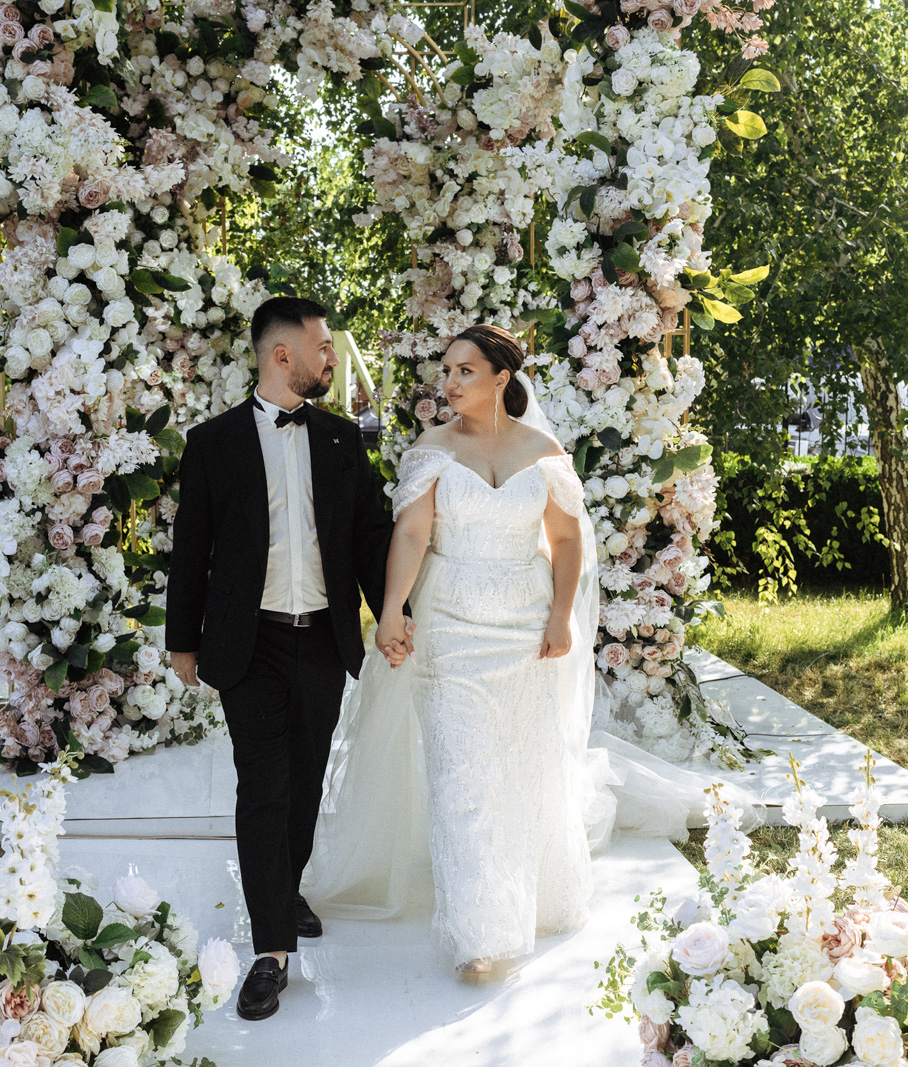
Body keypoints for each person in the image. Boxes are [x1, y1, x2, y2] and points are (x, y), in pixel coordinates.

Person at [304, 324, 727, 977]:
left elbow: (567, 540)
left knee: (520, 765)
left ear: (501, 378)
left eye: (464, 371)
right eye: (446, 370)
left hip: (525, 627)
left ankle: (533, 892)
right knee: (462, 771)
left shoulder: (543, 451)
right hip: (449, 625)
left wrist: (561, 616)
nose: (449, 383)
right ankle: (481, 933)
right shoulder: (432, 450)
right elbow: (411, 535)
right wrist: (391, 610)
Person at [165, 296, 397, 1020]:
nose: (332, 358)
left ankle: (283, 885)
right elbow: (191, 549)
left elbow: (370, 537)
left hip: (323, 638)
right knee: (263, 786)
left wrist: (396, 614)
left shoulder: (342, 439)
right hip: (250, 642)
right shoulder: (213, 443)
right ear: (282, 355)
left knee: (303, 782)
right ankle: (270, 953)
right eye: (323, 347)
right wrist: (182, 640)